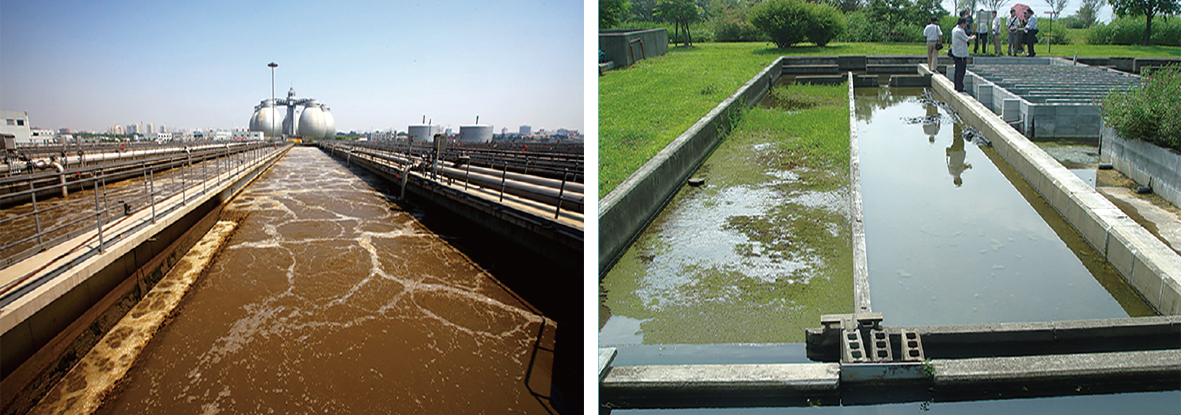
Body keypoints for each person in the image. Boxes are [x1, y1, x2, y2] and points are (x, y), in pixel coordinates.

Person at [951, 17, 975, 92]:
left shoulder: (954, 29)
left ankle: (956, 85)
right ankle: (959, 87)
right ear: (962, 24)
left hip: (956, 53)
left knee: (957, 70)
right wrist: (973, 37)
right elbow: (968, 39)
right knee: (961, 71)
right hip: (960, 54)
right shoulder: (960, 31)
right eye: (965, 24)